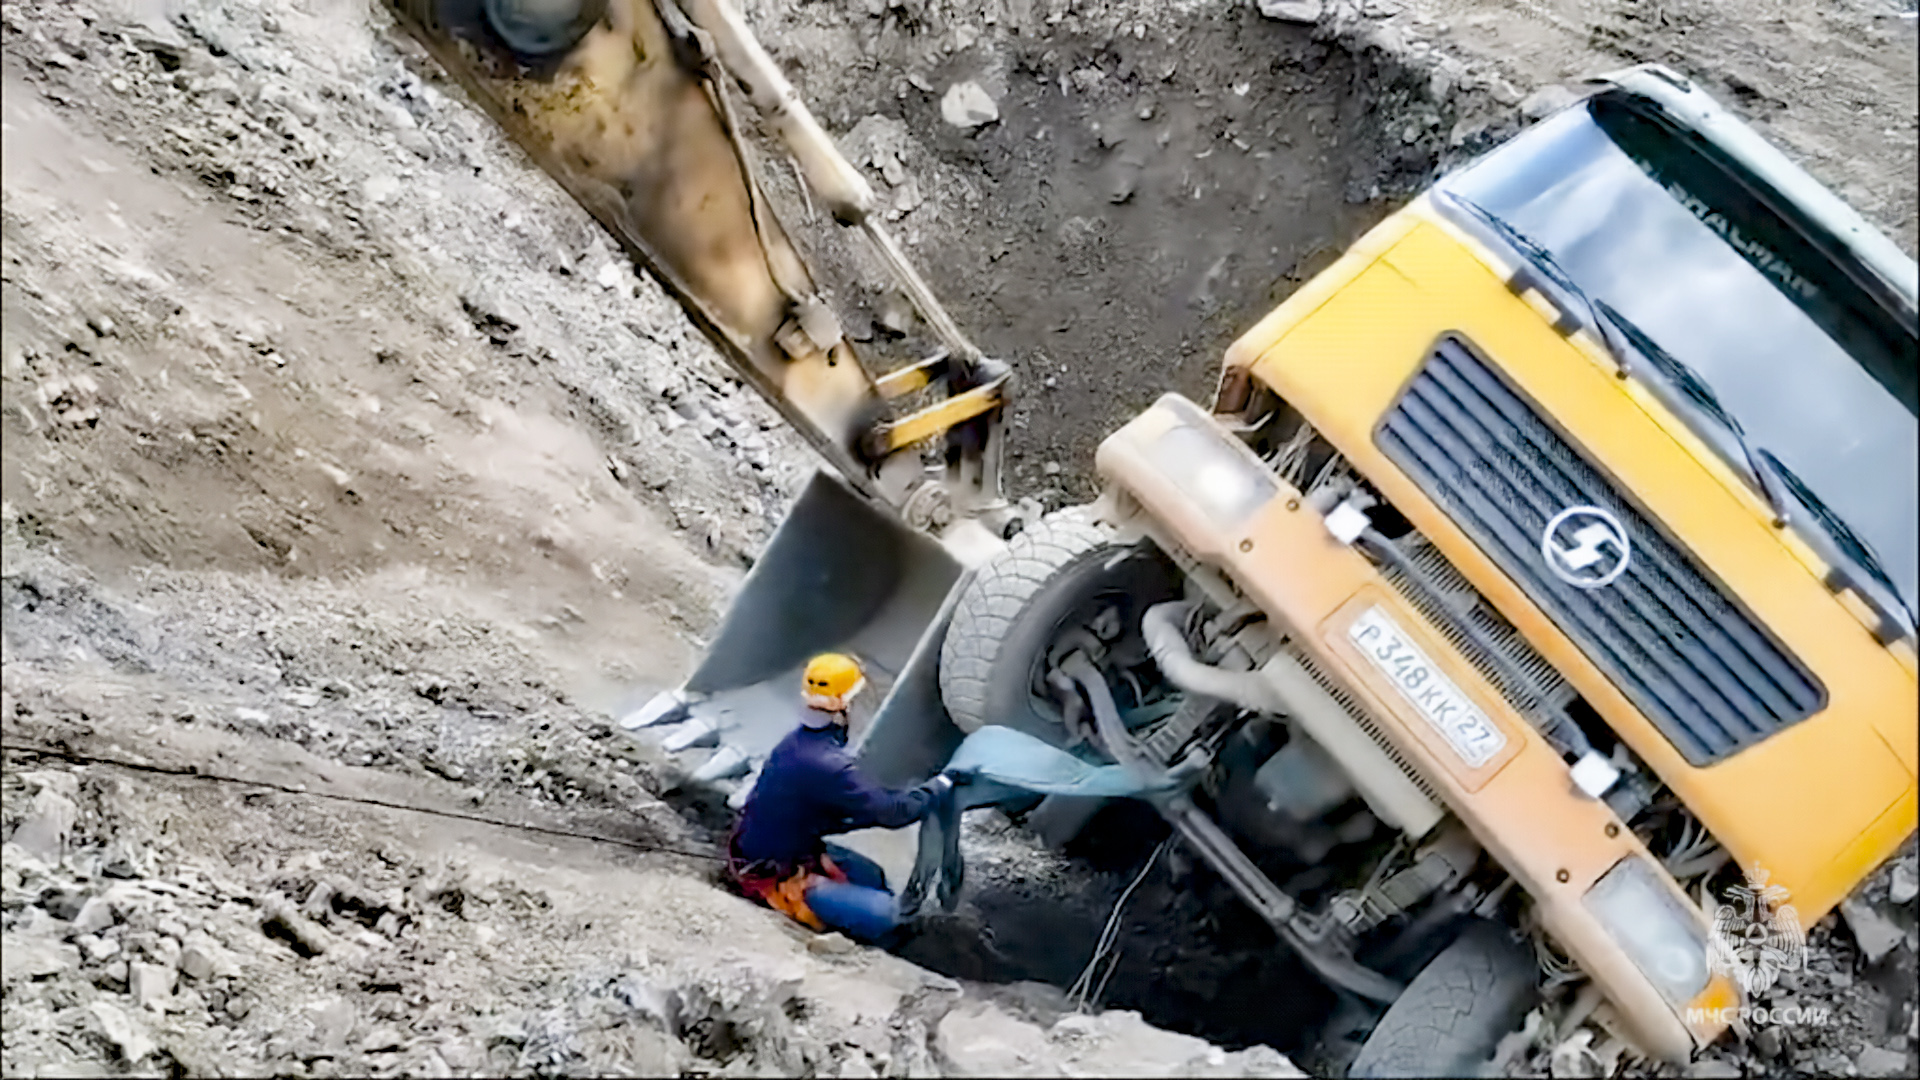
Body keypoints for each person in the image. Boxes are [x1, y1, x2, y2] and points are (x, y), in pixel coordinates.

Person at [726, 653, 954, 941]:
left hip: (775, 852)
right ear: (844, 703)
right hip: (775, 873)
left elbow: (835, 815)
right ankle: (877, 947)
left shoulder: (798, 744)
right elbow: (894, 813)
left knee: (871, 874)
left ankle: (851, 916)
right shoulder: (827, 764)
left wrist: (867, 812)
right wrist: (940, 787)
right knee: (890, 916)